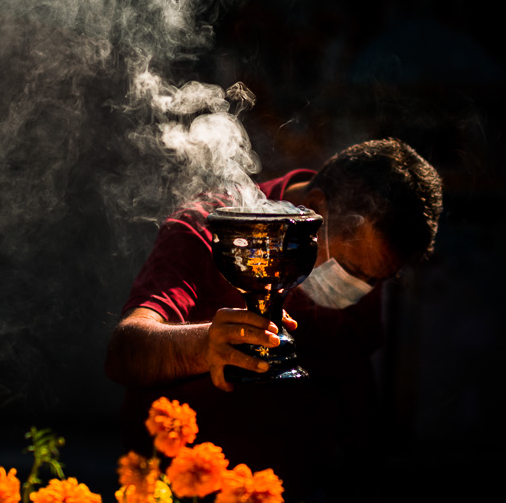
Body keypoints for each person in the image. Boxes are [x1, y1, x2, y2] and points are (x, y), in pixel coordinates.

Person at [105, 137, 443, 502]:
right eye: (350, 270)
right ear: (314, 211)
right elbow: (125, 351)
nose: (359, 289)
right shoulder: (210, 230)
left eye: (377, 279)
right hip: (179, 487)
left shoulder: (363, 247)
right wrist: (205, 346)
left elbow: (354, 382)